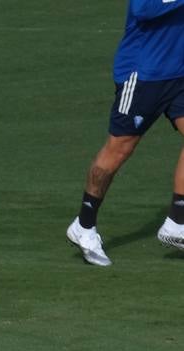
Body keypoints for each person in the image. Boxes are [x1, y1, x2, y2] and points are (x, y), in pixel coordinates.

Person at [66, 1, 184, 266]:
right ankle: (84, 225)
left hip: (179, 74)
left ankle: (177, 222)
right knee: (119, 149)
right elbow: (144, 9)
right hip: (142, 75)